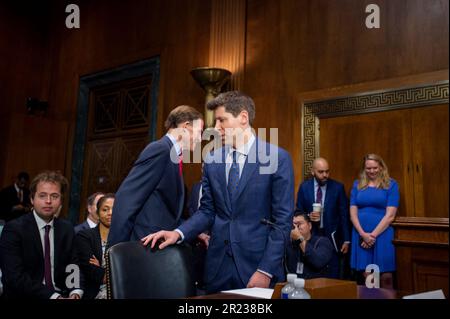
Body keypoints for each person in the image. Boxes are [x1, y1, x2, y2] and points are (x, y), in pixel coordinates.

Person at [142, 91, 294, 293]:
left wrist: (265, 270)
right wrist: (178, 233)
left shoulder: (277, 158)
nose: (215, 129)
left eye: (221, 120)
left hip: (256, 270)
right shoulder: (212, 160)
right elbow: (207, 211)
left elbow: (282, 221)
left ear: (243, 118)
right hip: (217, 270)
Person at [107, 105, 203, 247]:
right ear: (185, 126)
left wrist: (189, 231)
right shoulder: (160, 150)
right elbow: (127, 199)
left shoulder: (173, 156)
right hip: (145, 246)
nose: (200, 139)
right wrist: (115, 250)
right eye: (199, 132)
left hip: (160, 246)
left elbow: (168, 212)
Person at [0, 171, 83, 299]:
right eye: (42, 196)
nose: (48, 201)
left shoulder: (66, 228)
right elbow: (15, 277)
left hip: (62, 294)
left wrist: (75, 292)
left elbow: (72, 265)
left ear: (61, 201)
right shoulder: (13, 229)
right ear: (32, 199)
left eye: (54, 196)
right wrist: (54, 297)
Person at [350, 153, 399, 289]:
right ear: (364, 168)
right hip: (361, 233)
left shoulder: (391, 184)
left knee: (386, 276)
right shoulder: (357, 184)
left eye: (375, 168)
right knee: (369, 276)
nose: (371, 171)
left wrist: (372, 236)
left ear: (381, 167)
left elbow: (390, 215)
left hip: (383, 233)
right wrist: (363, 234)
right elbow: (353, 213)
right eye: (368, 168)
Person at [296, 157, 350, 278]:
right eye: (321, 172)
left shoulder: (338, 187)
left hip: (333, 237)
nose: (325, 175)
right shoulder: (304, 187)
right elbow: (299, 211)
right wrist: (308, 216)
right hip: (311, 236)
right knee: (312, 270)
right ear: (313, 171)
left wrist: (346, 239)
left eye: (327, 171)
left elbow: (344, 215)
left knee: (333, 273)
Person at [75, 193, 115, 299]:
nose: (110, 213)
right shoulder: (85, 236)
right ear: (97, 212)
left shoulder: (125, 236)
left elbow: (128, 272)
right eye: (105, 209)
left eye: (114, 209)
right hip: (94, 293)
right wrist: (111, 271)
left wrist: (100, 267)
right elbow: (90, 270)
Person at [287, 211, 334, 279]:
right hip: (293, 286)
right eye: (294, 224)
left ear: (309, 225)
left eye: (299, 223)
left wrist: (300, 239)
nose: (296, 227)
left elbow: (318, 262)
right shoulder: (289, 244)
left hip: (316, 286)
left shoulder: (323, 242)